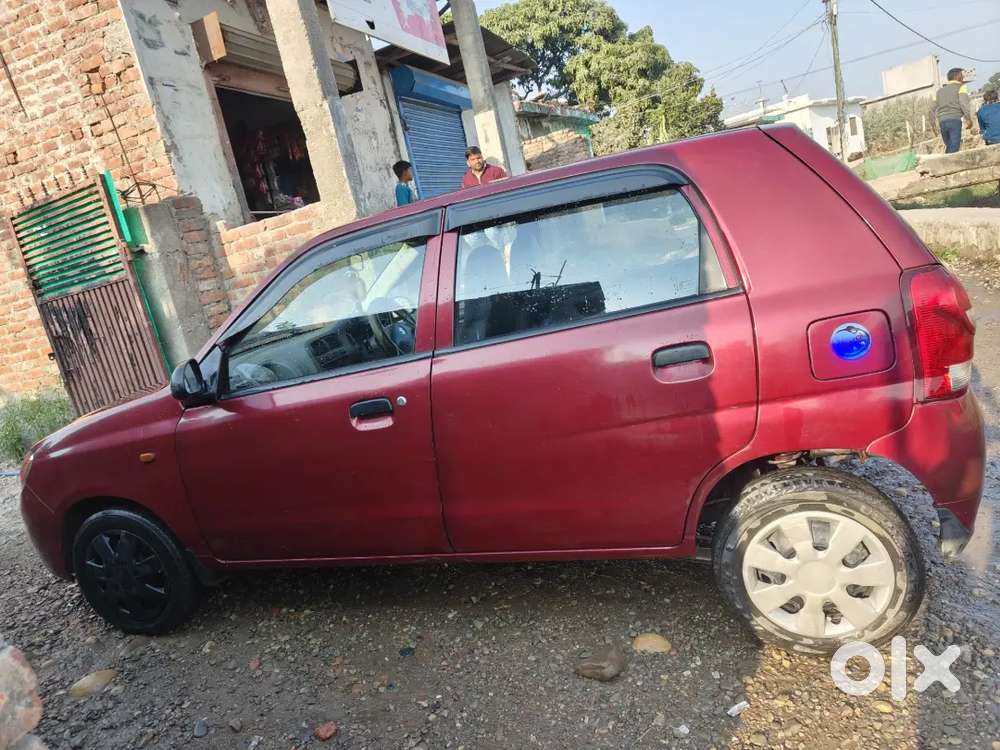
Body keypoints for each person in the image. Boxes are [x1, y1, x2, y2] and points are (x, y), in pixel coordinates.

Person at [935, 68, 973, 154]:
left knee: (949, 147)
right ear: (958, 76)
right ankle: (946, 162)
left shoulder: (939, 91)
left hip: (942, 121)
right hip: (954, 120)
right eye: (962, 75)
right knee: (954, 148)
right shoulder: (962, 87)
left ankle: (945, 161)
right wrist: (968, 119)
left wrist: (933, 125)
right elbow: (964, 103)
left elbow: (932, 108)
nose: (963, 77)